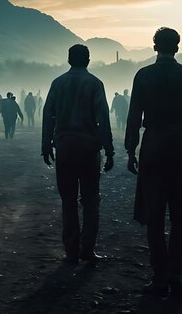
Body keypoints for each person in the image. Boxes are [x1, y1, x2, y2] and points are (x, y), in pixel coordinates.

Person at [125, 27, 182, 296]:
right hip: (180, 145)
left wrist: (130, 150)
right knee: (180, 215)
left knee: (154, 214)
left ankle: (159, 276)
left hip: (153, 144)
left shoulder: (144, 76)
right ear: (178, 47)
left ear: (154, 46)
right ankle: (175, 274)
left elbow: (134, 116)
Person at [42, 44, 114, 264]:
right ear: (88, 60)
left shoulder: (58, 83)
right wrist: (109, 150)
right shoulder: (94, 83)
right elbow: (103, 118)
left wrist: (46, 145)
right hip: (89, 149)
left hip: (64, 148)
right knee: (91, 200)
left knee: (68, 200)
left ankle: (71, 250)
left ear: (68, 59)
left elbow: (48, 115)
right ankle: (88, 249)